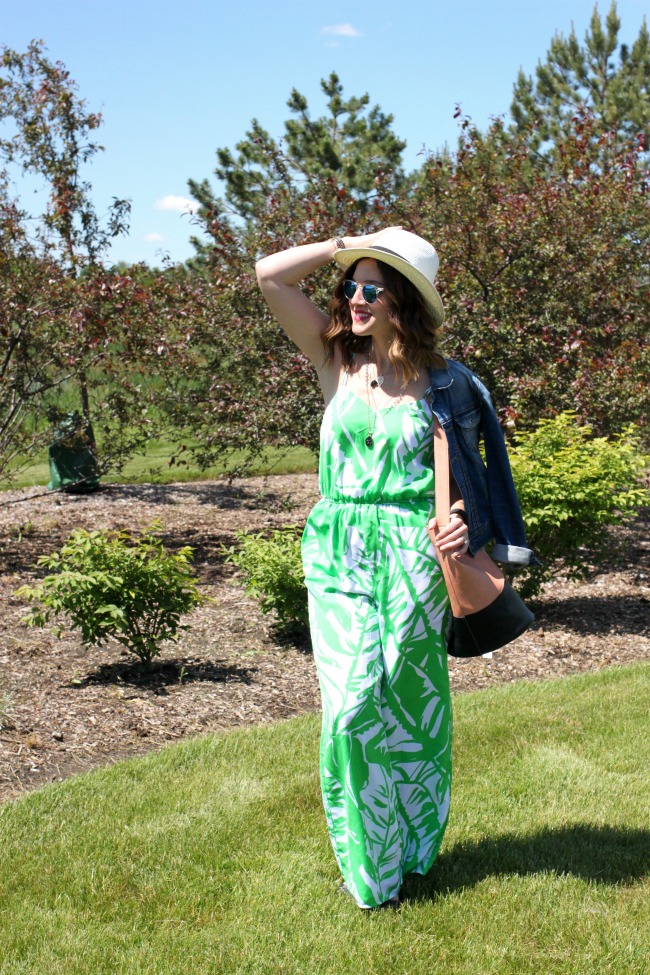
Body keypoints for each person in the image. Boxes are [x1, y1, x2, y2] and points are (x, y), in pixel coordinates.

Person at [255, 227, 535, 910]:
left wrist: (461, 519)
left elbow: (465, 478)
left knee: (411, 702)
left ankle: (413, 851)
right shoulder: (334, 360)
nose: (355, 298)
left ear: (403, 300)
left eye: (373, 289)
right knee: (352, 702)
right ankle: (369, 863)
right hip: (340, 546)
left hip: (415, 550)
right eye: (351, 286)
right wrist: (346, 245)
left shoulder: (447, 384)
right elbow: (269, 276)